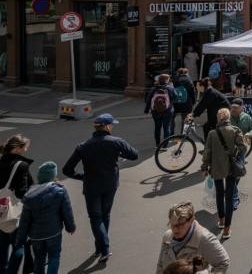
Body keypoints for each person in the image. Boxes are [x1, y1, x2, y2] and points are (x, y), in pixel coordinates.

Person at [62, 114, 139, 263]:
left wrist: (82, 177)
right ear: (107, 126)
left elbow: (67, 170)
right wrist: (120, 152)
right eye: (112, 125)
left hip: (91, 186)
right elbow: (134, 155)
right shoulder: (117, 142)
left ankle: (102, 248)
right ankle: (102, 248)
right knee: (105, 215)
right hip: (110, 184)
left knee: (96, 218)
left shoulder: (83, 146)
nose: (113, 127)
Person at [15, 161, 75, 274]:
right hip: (54, 232)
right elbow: (67, 211)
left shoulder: (29, 194)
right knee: (54, 257)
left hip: (35, 236)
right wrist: (70, 227)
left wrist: (21, 239)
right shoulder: (60, 191)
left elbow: (24, 220)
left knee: (39, 259)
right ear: (53, 176)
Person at [202, 108, 247, 241]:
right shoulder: (235, 130)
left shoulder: (211, 133)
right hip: (231, 168)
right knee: (229, 197)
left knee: (219, 194)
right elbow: (243, 148)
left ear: (218, 118)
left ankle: (221, 221)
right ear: (228, 118)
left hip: (216, 168)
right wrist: (235, 154)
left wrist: (204, 167)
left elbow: (207, 153)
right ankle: (227, 228)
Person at [155, 202, 229, 274]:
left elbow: (223, 262)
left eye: (180, 225)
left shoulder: (205, 240)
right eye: (172, 225)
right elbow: (160, 265)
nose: (175, 230)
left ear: (191, 220)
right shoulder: (167, 236)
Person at [0, 134, 34, 274]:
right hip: (14, 213)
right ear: (18, 149)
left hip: (0, 212)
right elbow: (22, 193)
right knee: (18, 246)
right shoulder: (21, 165)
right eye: (25, 147)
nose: (26, 150)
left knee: (2, 248)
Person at [228, 98, 252, 210]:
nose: (233, 109)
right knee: (231, 175)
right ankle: (234, 198)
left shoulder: (246, 117)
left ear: (242, 108)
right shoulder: (227, 117)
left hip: (241, 151)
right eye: (232, 107)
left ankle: (231, 189)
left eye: (236, 107)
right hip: (229, 151)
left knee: (238, 173)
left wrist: (250, 134)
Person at [146, 74, 178, 147]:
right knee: (166, 128)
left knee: (157, 127)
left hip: (155, 111)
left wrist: (146, 110)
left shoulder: (154, 88)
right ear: (167, 80)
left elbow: (148, 100)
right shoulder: (170, 88)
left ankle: (157, 144)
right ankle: (164, 146)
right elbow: (176, 97)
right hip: (168, 111)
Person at [172, 68, 197, 134]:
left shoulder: (175, 80)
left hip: (175, 102)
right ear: (187, 73)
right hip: (186, 102)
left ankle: (171, 134)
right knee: (185, 119)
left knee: (172, 119)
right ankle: (183, 135)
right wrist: (193, 102)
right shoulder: (189, 80)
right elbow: (193, 92)